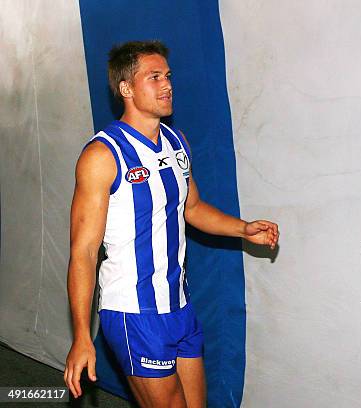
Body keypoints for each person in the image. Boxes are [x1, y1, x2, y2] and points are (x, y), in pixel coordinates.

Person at [63, 40, 279, 407]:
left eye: (168, 76)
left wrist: (242, 228)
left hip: (179, 305)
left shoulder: (177, 142)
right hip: (134, 312)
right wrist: (82, 335)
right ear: (126, 89)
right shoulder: (103, 155)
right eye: (154, 77)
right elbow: (83, 251)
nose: (167, 85)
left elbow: (192, 208)